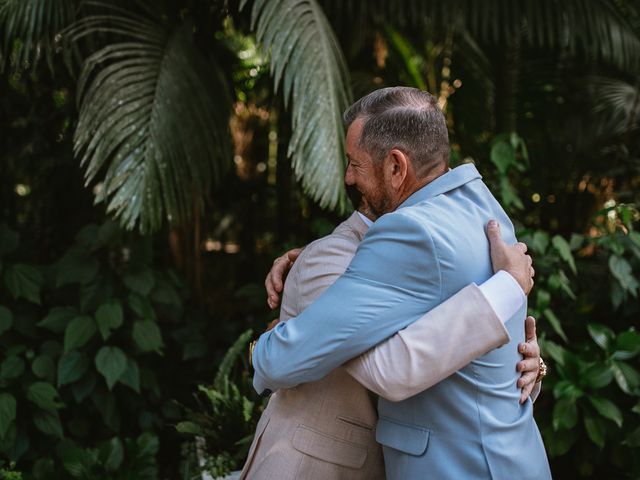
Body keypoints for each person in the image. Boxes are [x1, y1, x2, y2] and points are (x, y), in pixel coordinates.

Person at [251, 87, 551, 479]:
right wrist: (313, 256)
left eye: (355, 163)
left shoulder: (410, 231)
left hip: (460, 467)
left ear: (396, 166)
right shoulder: (482, 207)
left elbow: (378, 368)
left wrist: (274, 342)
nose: (348, 177)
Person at [240, 211, 542, 479]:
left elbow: (456, 356)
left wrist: (530, 367)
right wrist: (509, 286)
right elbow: (394, 362)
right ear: (395, 169)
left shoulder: (440, 260)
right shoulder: (333, 256)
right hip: (310, 466)